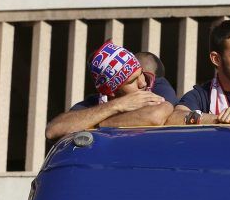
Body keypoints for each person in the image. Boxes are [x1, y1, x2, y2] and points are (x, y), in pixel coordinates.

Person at [45, 41, 174, 140]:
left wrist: (95, 124)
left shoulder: (156, 84)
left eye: (140, 73)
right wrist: (117, 106)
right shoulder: (95, 104)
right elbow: (52, 130)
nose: (143, 83)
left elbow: (157, 114)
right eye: (131, 81)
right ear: (111, 92)